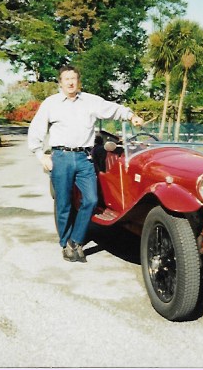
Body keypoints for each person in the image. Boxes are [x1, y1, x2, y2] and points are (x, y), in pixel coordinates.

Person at [27, 65, 144, 263]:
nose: (71, 82)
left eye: (74, 78)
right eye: (66, 79)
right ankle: (65, 244)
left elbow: (112, 109)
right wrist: (41, 155)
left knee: (90, 199)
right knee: (63, 203)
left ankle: (76, 241)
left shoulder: (90, 101)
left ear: (78, 81)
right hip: (61, 157)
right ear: (61, 82)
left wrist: (131, 115)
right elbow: (36, 129)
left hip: (84, 158)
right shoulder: (51, 103)